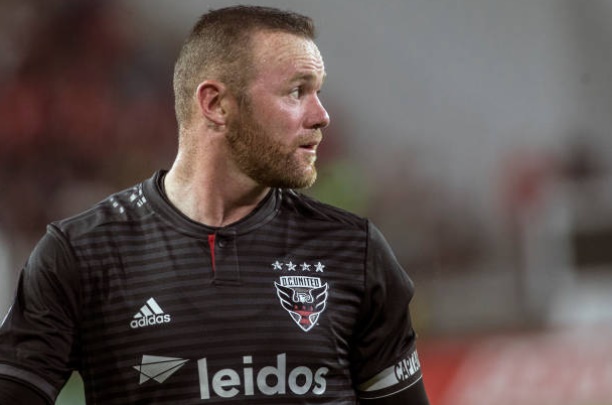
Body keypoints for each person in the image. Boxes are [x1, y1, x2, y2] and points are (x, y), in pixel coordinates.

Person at [0, 5, 430, 404]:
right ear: (216, 104)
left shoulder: (356, 251)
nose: (322, 115)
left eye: (318, 91)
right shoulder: (81, 253)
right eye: (297, 92)